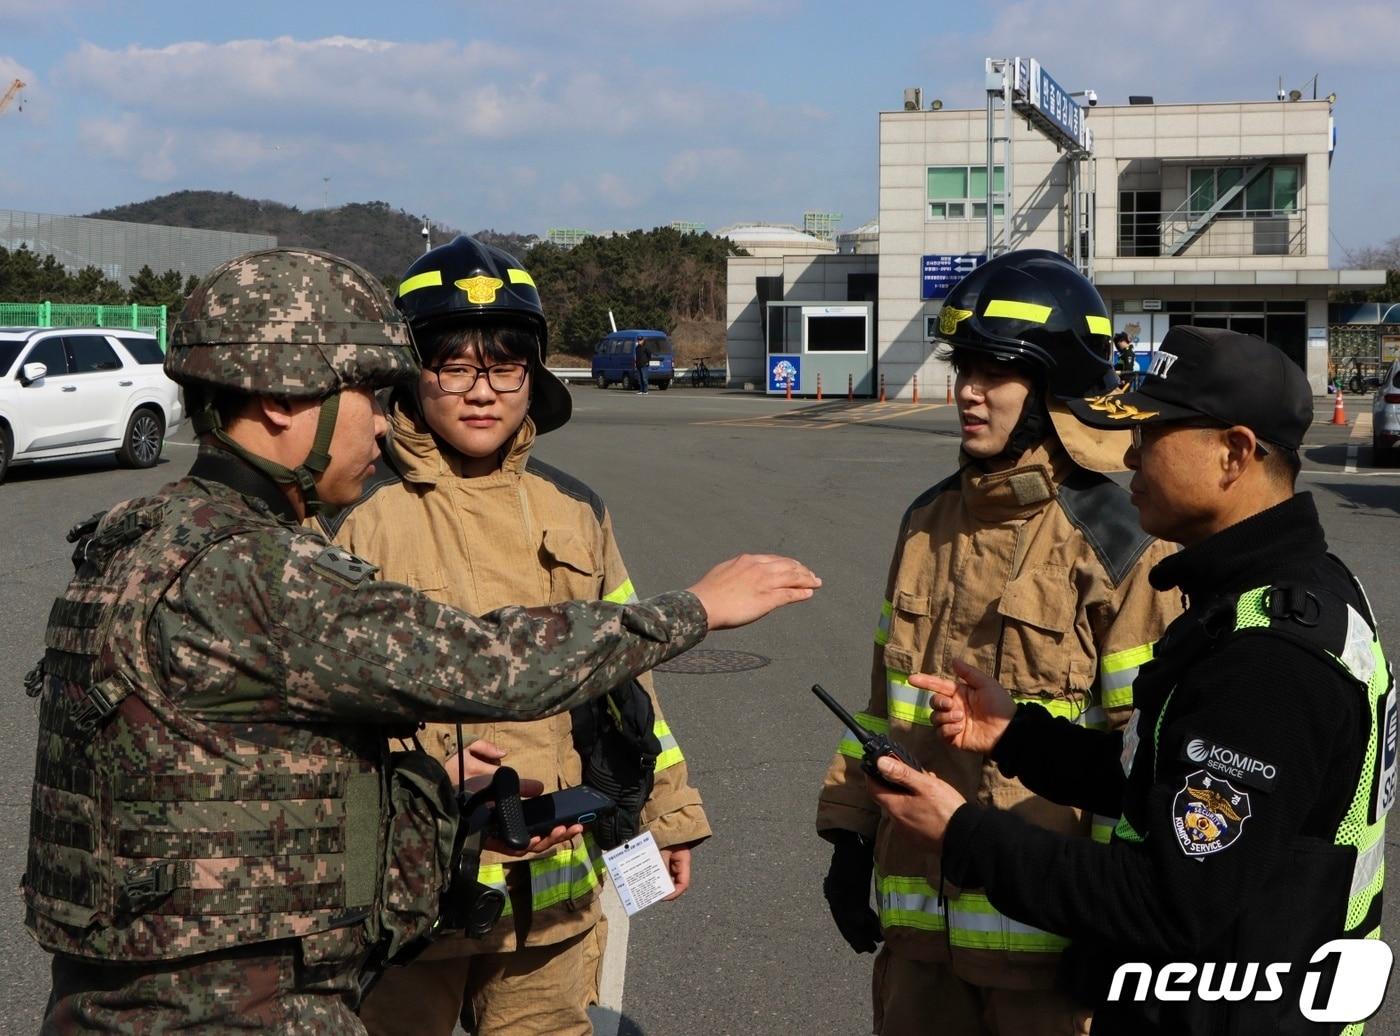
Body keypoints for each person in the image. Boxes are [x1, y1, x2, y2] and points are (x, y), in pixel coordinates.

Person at [21, 246, 820, 1033]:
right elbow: (495, 667)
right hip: (259, 988)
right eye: (372, 390)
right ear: (280, 398)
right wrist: (699, 608)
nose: (383, 413)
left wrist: (652, 810)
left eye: (503, 367)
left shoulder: (141, 536)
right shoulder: (266, 561)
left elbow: (268, 766)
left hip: (201, 972)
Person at [870, 326, 1393, 1035]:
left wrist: (962, 832)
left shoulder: (1268, 660)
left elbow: (1167, 903)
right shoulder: (1273, 592)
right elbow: (1162, 785)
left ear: (1234, 453)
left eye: (1154, 433)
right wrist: (1017, 735)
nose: (1130, 455)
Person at [327, 236, 710, 1035]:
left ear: (533, 373)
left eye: (504, 366)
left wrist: (667, 816)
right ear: (410, 369)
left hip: (553, 906)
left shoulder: (576, 509)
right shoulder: (352, 517)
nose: (482, 392)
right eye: (455, 366)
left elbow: (630, 681)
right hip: (409, 908)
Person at [815, 250, 1180, 1036]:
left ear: (1056, 389)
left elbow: (1143, 759)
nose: (968, 392)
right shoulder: (926, 520)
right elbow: (885, 705)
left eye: (997, 372)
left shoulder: (1120, 542)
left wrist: (1119, 927)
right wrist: (848, 834)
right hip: (920, 936)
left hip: (1047, 940)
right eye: (964, 367)